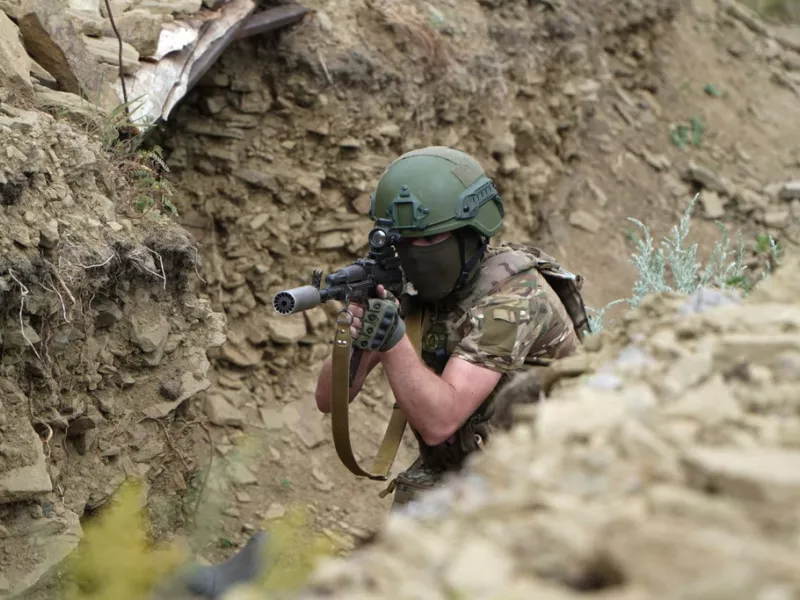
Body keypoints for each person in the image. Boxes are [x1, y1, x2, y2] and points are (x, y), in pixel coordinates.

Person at [314, 146, 590, 510]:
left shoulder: (515, 299)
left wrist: (392, 338)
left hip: (541, 478)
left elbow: (439, 422)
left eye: (430, 239)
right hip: (465, 470)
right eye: (404, 240)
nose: (416, 253)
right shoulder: (411, 289)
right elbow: (329, 399)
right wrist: (359, 326)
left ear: (471, 233)